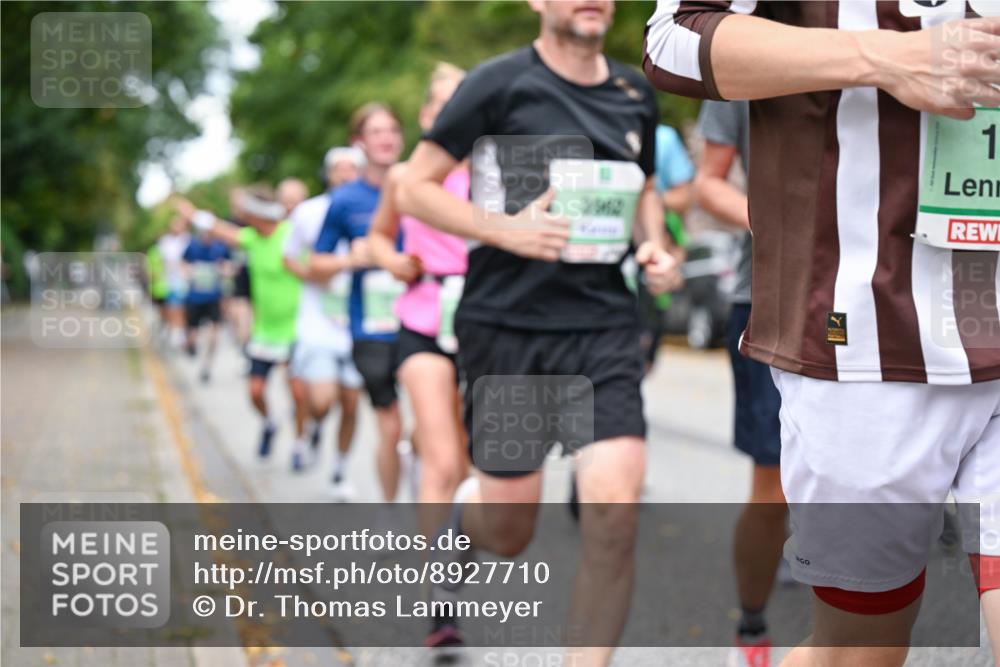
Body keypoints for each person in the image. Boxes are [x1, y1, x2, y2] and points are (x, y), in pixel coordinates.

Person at [645, 3, 1000, 665]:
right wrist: (887, 56)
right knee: (860, 650)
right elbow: (671, 38)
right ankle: (753, 620)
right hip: (866, 338)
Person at [397, 1, 683, 660]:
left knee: (614, 515)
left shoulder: (632, 90)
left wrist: (657, 247)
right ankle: (462, 524)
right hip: (511, 325)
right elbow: (414, 187)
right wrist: (506, 228)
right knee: (508, 527)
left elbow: (641, 187)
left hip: (603, 324)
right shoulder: (497, 84)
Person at [693, 99, 785, 667]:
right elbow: (709, 182)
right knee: (774, 485)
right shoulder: (745, 52)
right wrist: (776, 217)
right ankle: (752, 624)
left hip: (889, 295)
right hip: (771, 298)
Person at [368, 63, 470, 530]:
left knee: (470, 465)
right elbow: (379, 236)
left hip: (481, 322)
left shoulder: (502, 172)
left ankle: (453, 542)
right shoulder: (405, 176)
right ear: (429, 116)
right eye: (447, 103)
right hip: (421, 319)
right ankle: (436, 588)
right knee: (444, 461)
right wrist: (390, 260)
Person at [309, 103, 406, 504]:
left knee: (435, 427)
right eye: (376, 132)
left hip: (426, 320)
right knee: (391, 424)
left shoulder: (420, 186)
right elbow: (316, 261)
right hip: (371, 325)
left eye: (392, 130)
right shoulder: (345, 200)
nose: (386, 138)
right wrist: (352, 259)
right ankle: (392, 512)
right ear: (359, 143)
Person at [175, 186, 304, 459]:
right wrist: (193, 215)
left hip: (295, 329)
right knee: (255, 390)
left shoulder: (292, 236)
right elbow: (222, 230)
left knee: (297, 392)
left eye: (249, 212)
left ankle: (299, 443)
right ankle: (270, 423)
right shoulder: (251, 239)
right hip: (265, 331)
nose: (243, 217)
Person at [283, 147, 366, 489]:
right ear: (328, 174)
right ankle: (314, 426)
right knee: (321, 399)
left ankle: (340, 470)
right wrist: (312, 276)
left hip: (359, 322)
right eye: (338, 169)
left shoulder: (373, 207)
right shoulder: (309, 212)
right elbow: (288, 257)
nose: (345, 174)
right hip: (319, 323)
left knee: (351, 403)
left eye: (351, 169)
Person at [181, 229, 231, 383]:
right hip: (194, 297)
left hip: (213, 297)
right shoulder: (192, 246)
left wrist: (223, 271)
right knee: (193, 333)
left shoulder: (220, 247)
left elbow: (229, 266)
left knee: (214, 333)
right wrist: (188, 272)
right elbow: (182, 263)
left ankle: (206, 367)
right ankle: (191, 345)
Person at [156, 216, 191, 349]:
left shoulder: (188, 240)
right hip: (170, 281)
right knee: (173, 307)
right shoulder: (166, 241)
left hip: (185, 281)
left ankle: (181, 333)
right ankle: (176, 332)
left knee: (182, 308)